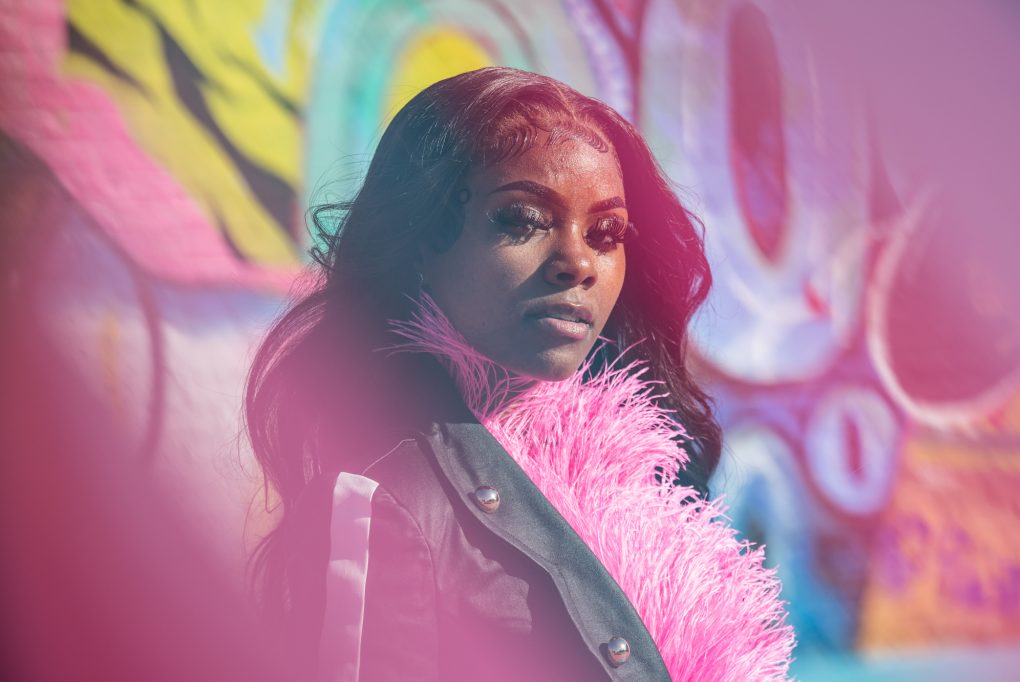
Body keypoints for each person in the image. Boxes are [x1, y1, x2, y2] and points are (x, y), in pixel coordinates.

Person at [246, 67, 793, 681]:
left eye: (606, 232)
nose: (578, 263)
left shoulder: (645, 490)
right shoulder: (384, 503)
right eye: (521, 219)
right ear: (420, 241)